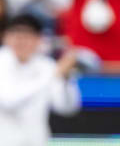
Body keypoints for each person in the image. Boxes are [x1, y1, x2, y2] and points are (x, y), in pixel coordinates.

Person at [0, 14, 81, 146]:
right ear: (5, 37)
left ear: (39, 40)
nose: (21, 41)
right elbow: (8, 100)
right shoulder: (1, 61)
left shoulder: (46, 66)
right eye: (16, 34)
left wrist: (66, 79)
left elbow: (66, 107)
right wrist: (53, 75)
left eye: (27, 36)